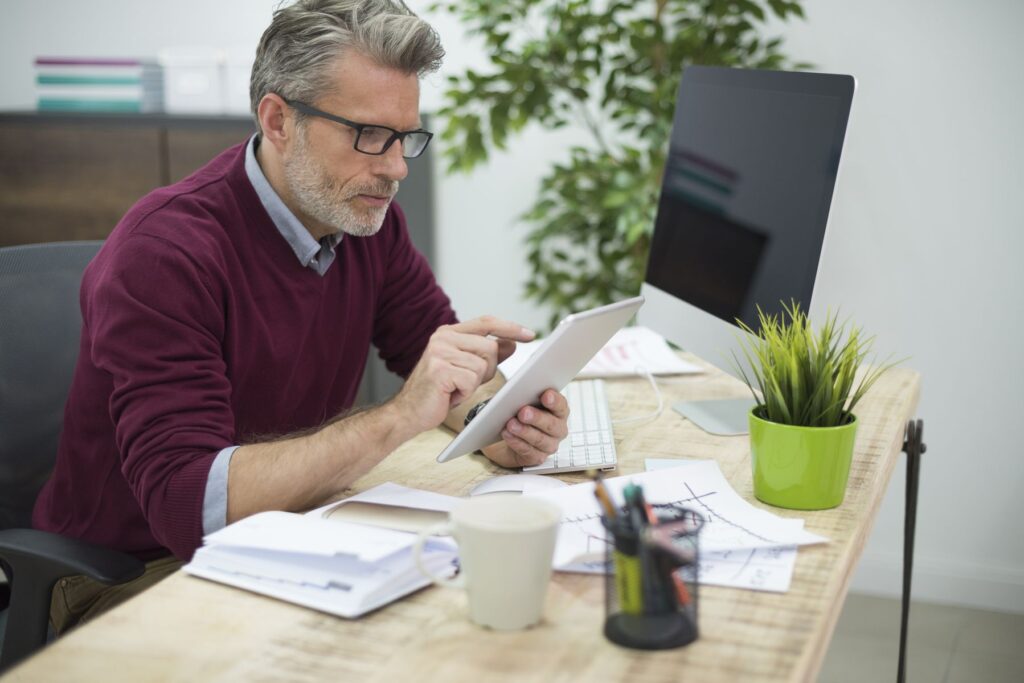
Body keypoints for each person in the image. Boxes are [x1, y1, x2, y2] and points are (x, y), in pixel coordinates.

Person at [33, 0, 569, 633]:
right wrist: (400, 415)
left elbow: (445, 370)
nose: (395, 167)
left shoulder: (369, 222)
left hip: (299, 531)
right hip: (135, 578)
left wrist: (500, 425)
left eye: (406, 139)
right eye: (369, 135)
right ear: (279, 119)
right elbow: (190, 509)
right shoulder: (165, 254)